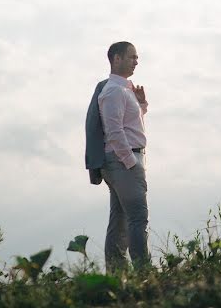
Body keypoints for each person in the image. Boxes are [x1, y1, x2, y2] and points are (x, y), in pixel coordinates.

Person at [97, 41, 151, 270]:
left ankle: (117, 274)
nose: (136, 61)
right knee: (137, 218)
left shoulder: (123, 90)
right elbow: (114, 131)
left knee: (119, 220)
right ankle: (143, 272)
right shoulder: (113, 91)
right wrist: (130, 162)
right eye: (132, 57)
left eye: (136, 57)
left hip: (123, 160)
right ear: (116, 59)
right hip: (123, 162)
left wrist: (141, 104)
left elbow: (130, 125)